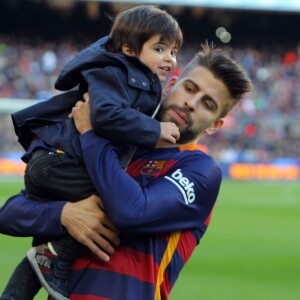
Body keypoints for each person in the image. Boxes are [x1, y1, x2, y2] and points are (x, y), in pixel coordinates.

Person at [0, 42, 252, 300]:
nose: (191, 103)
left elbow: (132, 211)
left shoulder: (200, 170)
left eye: (207, 104)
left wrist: (90, 133)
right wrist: (64, 214)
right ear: (170, 84)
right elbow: (9, 214)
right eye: (189, 88)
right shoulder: (115, 146)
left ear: (215, 125)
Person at [2, 5, 183, 300]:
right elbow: (106, 115)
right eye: (160, 48)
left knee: (46, 250)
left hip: (56, 162)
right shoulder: (116, 70)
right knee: (112, 202)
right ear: (128, 48)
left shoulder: (132, 75)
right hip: (60, 162)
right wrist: (154, 130)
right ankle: (56, 256)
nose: (169, 58)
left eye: (173, 51)